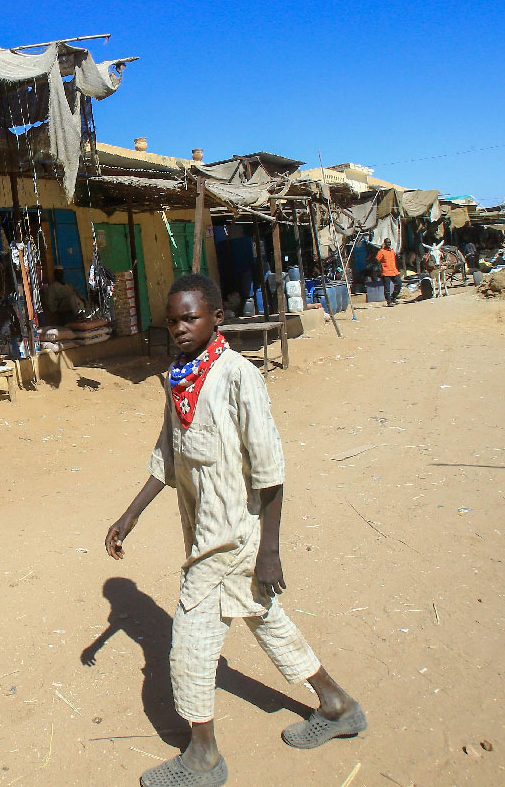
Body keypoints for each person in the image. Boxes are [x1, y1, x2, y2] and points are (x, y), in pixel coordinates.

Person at [103, 274, 364, 787]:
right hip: (203, 528)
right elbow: (168, 455)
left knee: (189, 642)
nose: (179, 328)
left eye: (190, 317)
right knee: (263, 617)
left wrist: (271, 551)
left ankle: (203, 755)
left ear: (216, 317)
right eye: (172, 319)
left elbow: (270, 470)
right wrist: (130, 514)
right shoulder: (178, 377)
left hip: (235, 534)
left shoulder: (239, 377)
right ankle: (336, 704)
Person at [375, 238, 400, 305]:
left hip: (394, 271)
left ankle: (393, 297)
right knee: (387, 288)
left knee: (399, 284)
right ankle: (389, 302)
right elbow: (377, 259)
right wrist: (379, 269)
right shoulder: (382, 251)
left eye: (389, 242)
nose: (388, 244)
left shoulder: (392, 251)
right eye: (387, 242)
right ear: (385, 243)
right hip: (386, 272)